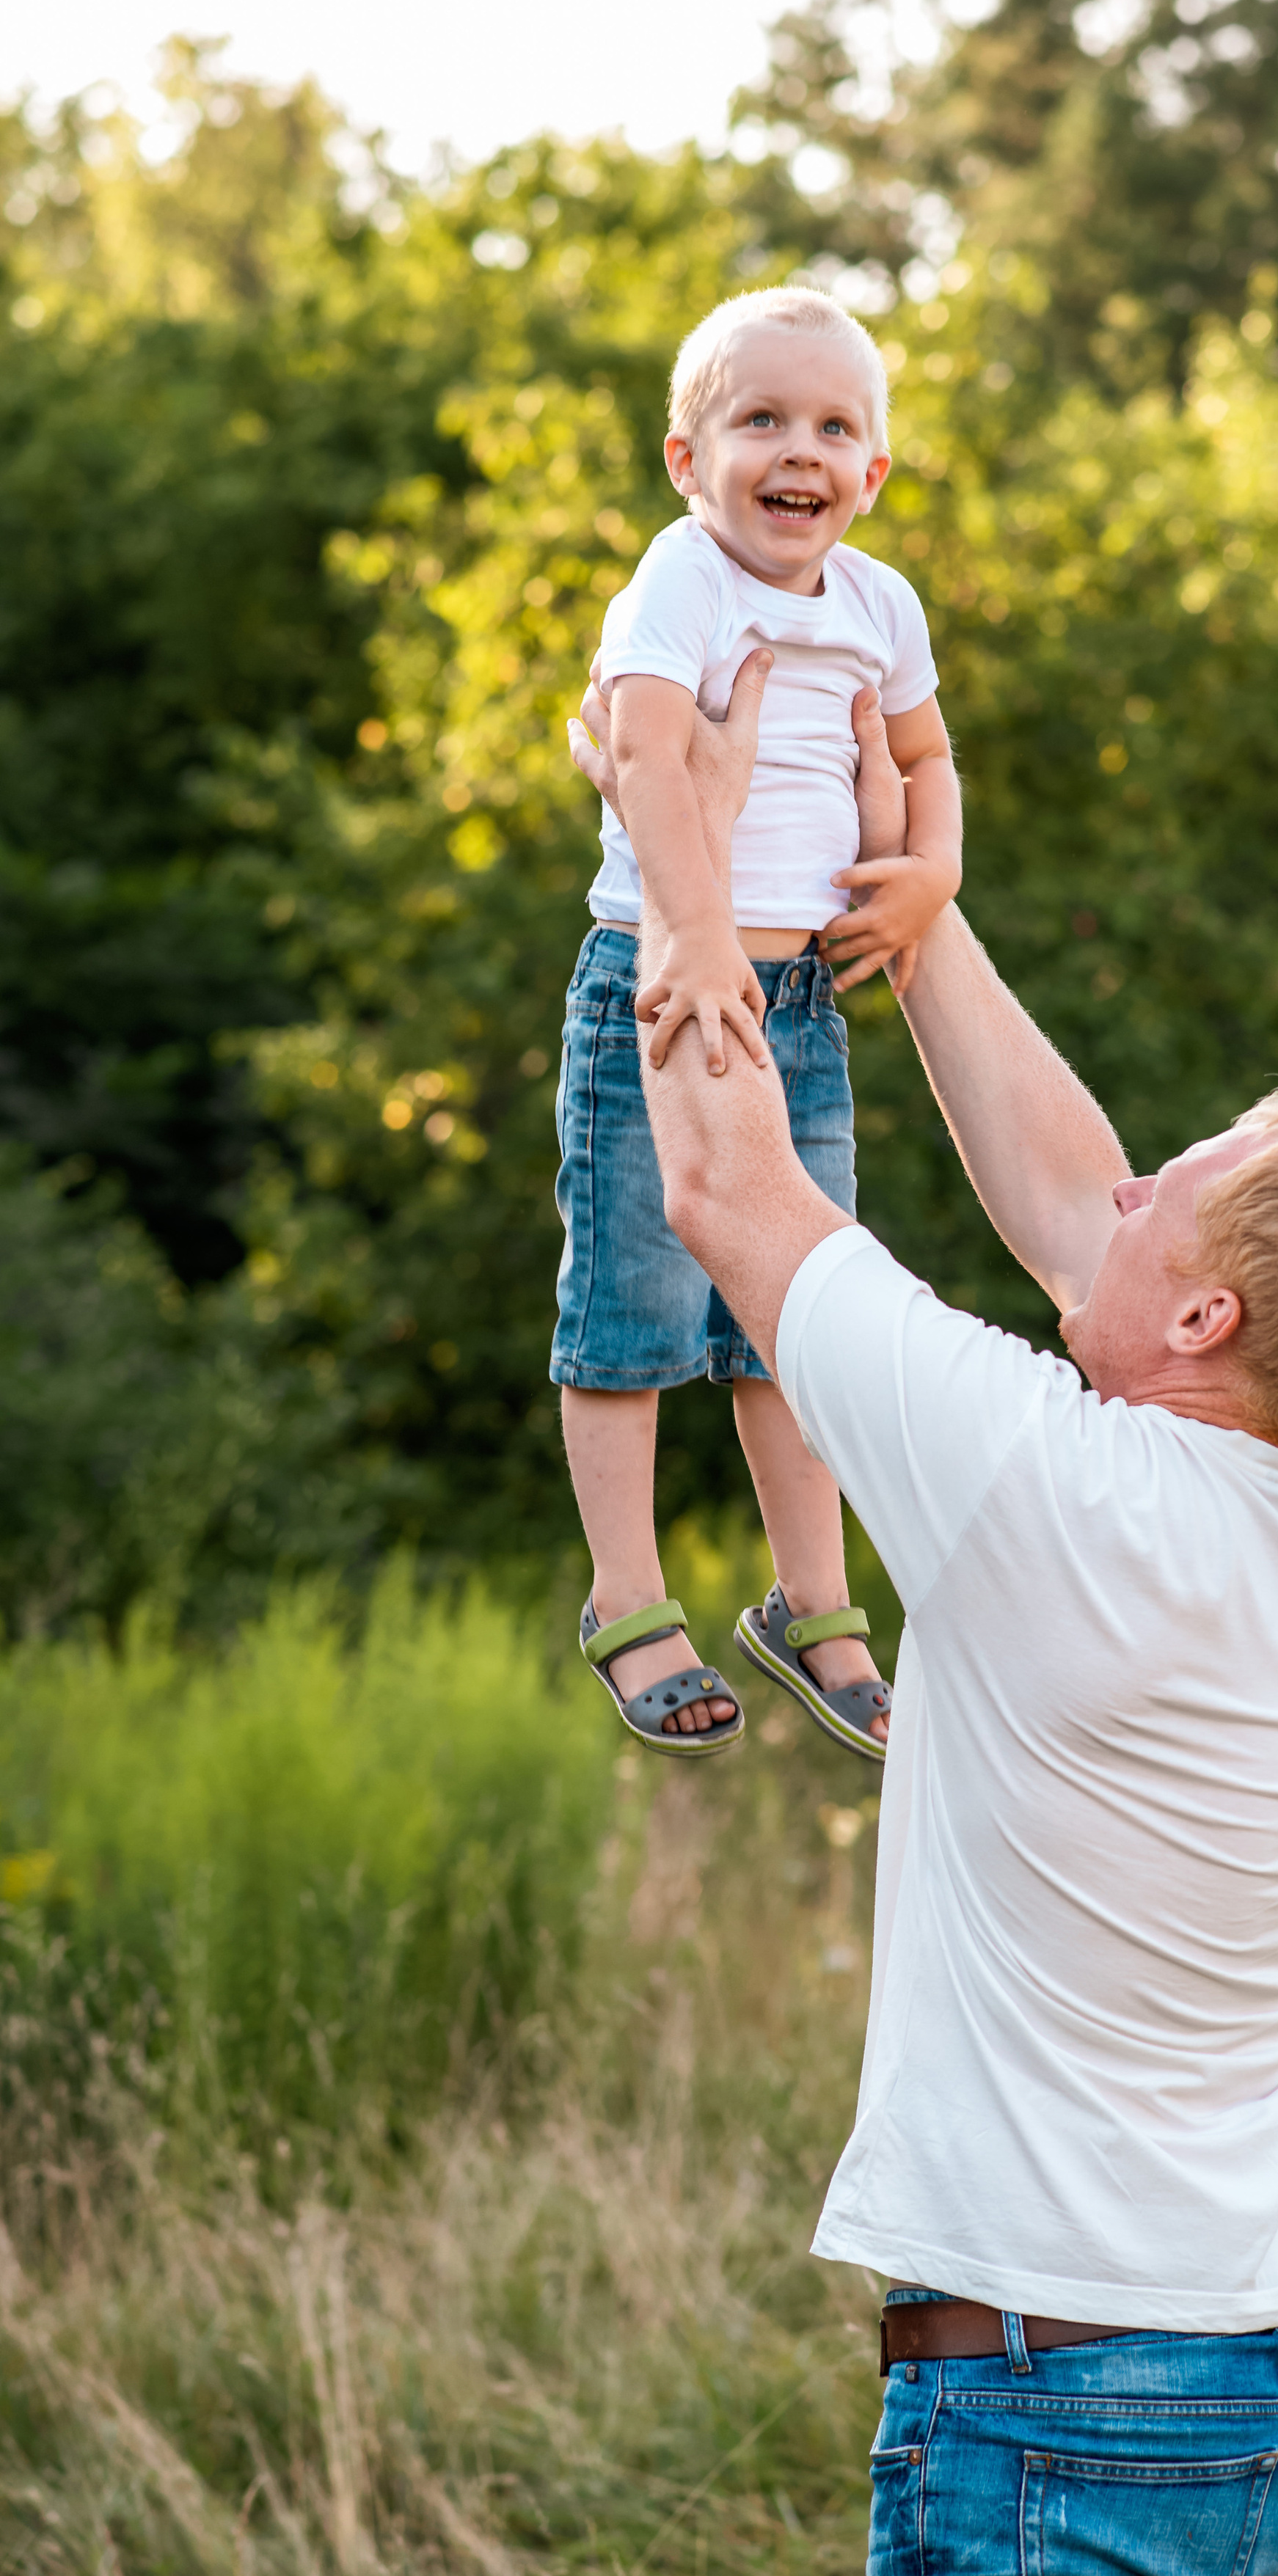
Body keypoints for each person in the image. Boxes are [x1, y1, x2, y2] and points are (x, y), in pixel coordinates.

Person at [566, 654, 1278, 2576]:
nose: (1129, 1186)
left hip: (1061, 2425)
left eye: (1179, 1190)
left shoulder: (1047, 1488)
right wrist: (926, 917)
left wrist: (675, 845)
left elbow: (720, 1181)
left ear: (1215, 1317)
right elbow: (1088, 1223)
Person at [558, 286, 962, 1759]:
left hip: (800, 1003)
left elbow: (923, 756)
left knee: (801, 1323)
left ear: (872, 473)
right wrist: (705, 933)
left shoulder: (880, 605)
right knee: (632, 1312)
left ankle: (810, 1601)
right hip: (664, 983)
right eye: (761, 420)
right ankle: (625, 1597)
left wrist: (933, 873)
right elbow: (648, 764)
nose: (800, 450)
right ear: (687, 458)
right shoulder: (677, 582)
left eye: (833, 426)